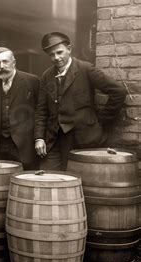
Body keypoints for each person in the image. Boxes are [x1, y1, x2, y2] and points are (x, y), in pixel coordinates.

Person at [34, 32, 126, 170]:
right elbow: (41, 110)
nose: (56, 58)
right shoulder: (47, 76)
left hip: (85, 137)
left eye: (60, 52)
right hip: (56, 138)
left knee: (83, 179)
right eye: (51, 55)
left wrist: (101, 120)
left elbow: (118, 91)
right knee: (49, 177)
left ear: (69, 49)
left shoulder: (86, 69)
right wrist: (39, 138)